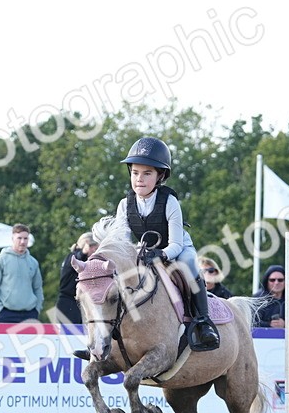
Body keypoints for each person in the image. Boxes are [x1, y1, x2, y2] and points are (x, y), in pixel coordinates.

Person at [113, 136, 218, 351]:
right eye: (135, 173)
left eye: (147, 173)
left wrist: (161, 255)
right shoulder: (125, 204)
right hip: (142, 251)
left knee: (189, 264)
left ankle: (202, 321)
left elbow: (176, 245)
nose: (139, 179)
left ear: (160, 176)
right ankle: (108, 329)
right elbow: (121, 242)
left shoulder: (170, 201)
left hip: (176, 249)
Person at [0, 224, 43, 324]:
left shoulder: (33, 262)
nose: (22, 241)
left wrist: (37, 308)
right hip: (6, 314)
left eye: (25, 238)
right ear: (12, 238)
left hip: (30, 314)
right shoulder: (0, 260)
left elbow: (38, 288)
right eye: (19, 238)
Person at [55, 232, 98, 325]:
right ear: (87, 246)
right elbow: (77, 258)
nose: (96, 252)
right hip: (68, 304)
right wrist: (83, 252)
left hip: (78, 304)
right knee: (69, 337)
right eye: (95, 249)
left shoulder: (85, 260)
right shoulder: (72, 257)